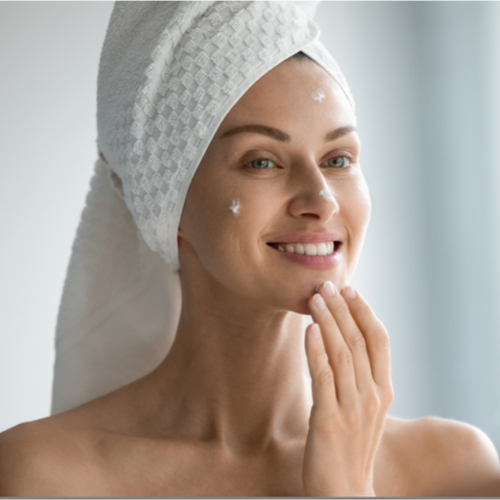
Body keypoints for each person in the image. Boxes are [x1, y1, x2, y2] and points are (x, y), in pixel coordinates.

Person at [1, 1, 500, 496]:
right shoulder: (45, 475)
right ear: (167, 202)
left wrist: (344, 489)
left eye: (338, 158)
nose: (320, 200)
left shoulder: (454, 471)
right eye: (262, 162)